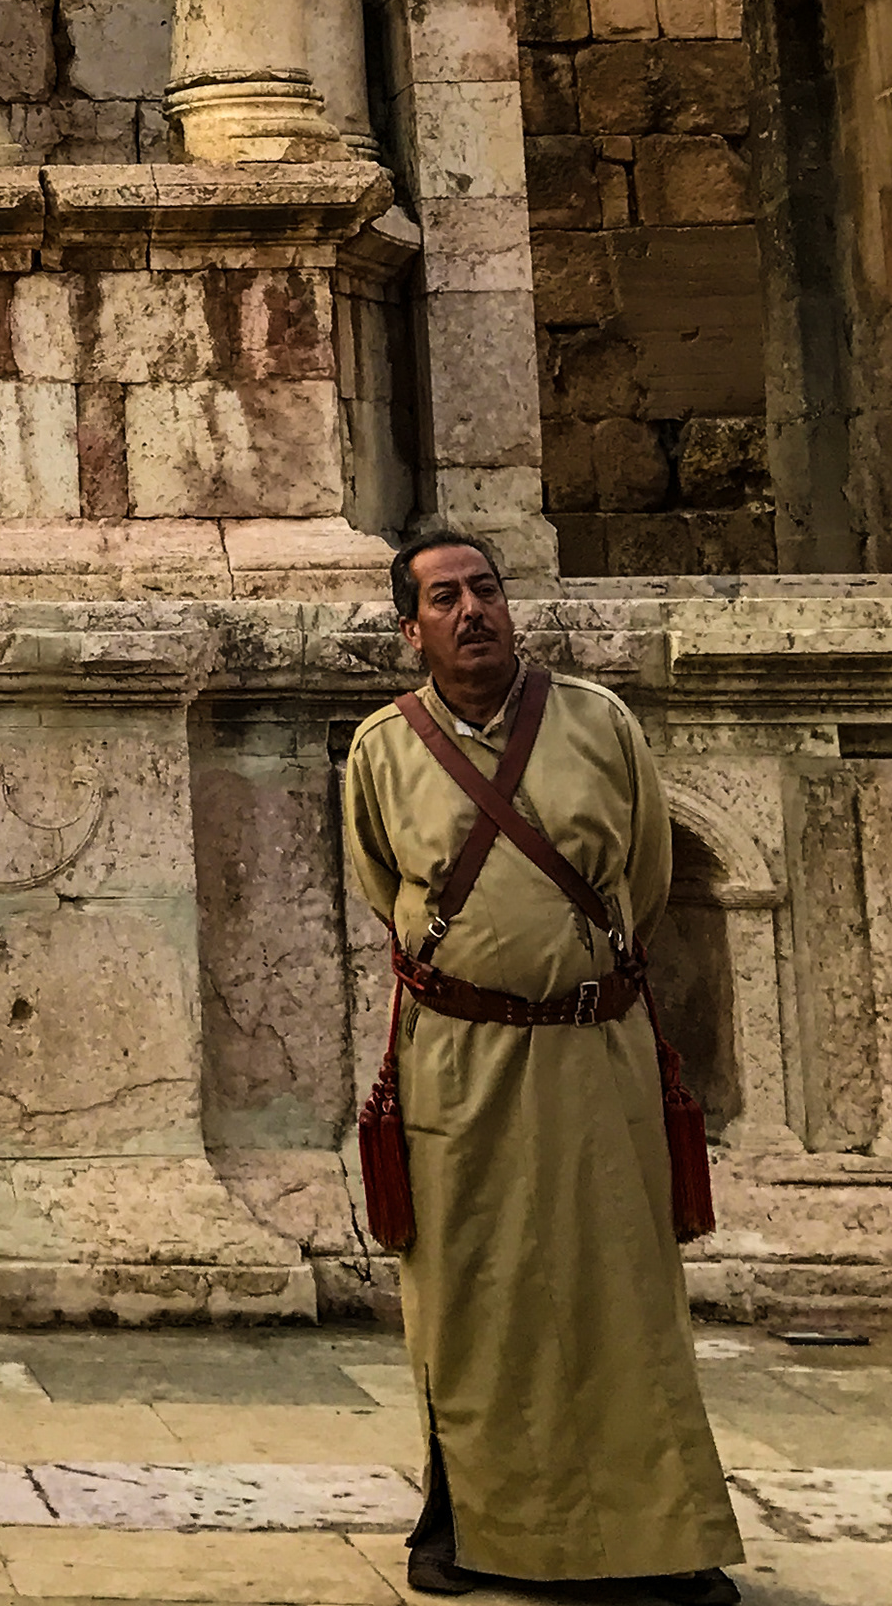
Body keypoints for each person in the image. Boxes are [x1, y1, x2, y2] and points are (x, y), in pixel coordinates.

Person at [345, 521, 745, 1604]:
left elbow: (648, 877)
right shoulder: (382, 748)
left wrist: (566, 971)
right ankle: (462, 1522)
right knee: (469, 1291)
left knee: (623, 1286)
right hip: (456, 1059)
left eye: (485, 590)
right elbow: (388, 892)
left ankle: (659, 1533)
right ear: (409, 628)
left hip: (593, 1044)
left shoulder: (599, 723)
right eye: (444, 599)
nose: (472, 611)